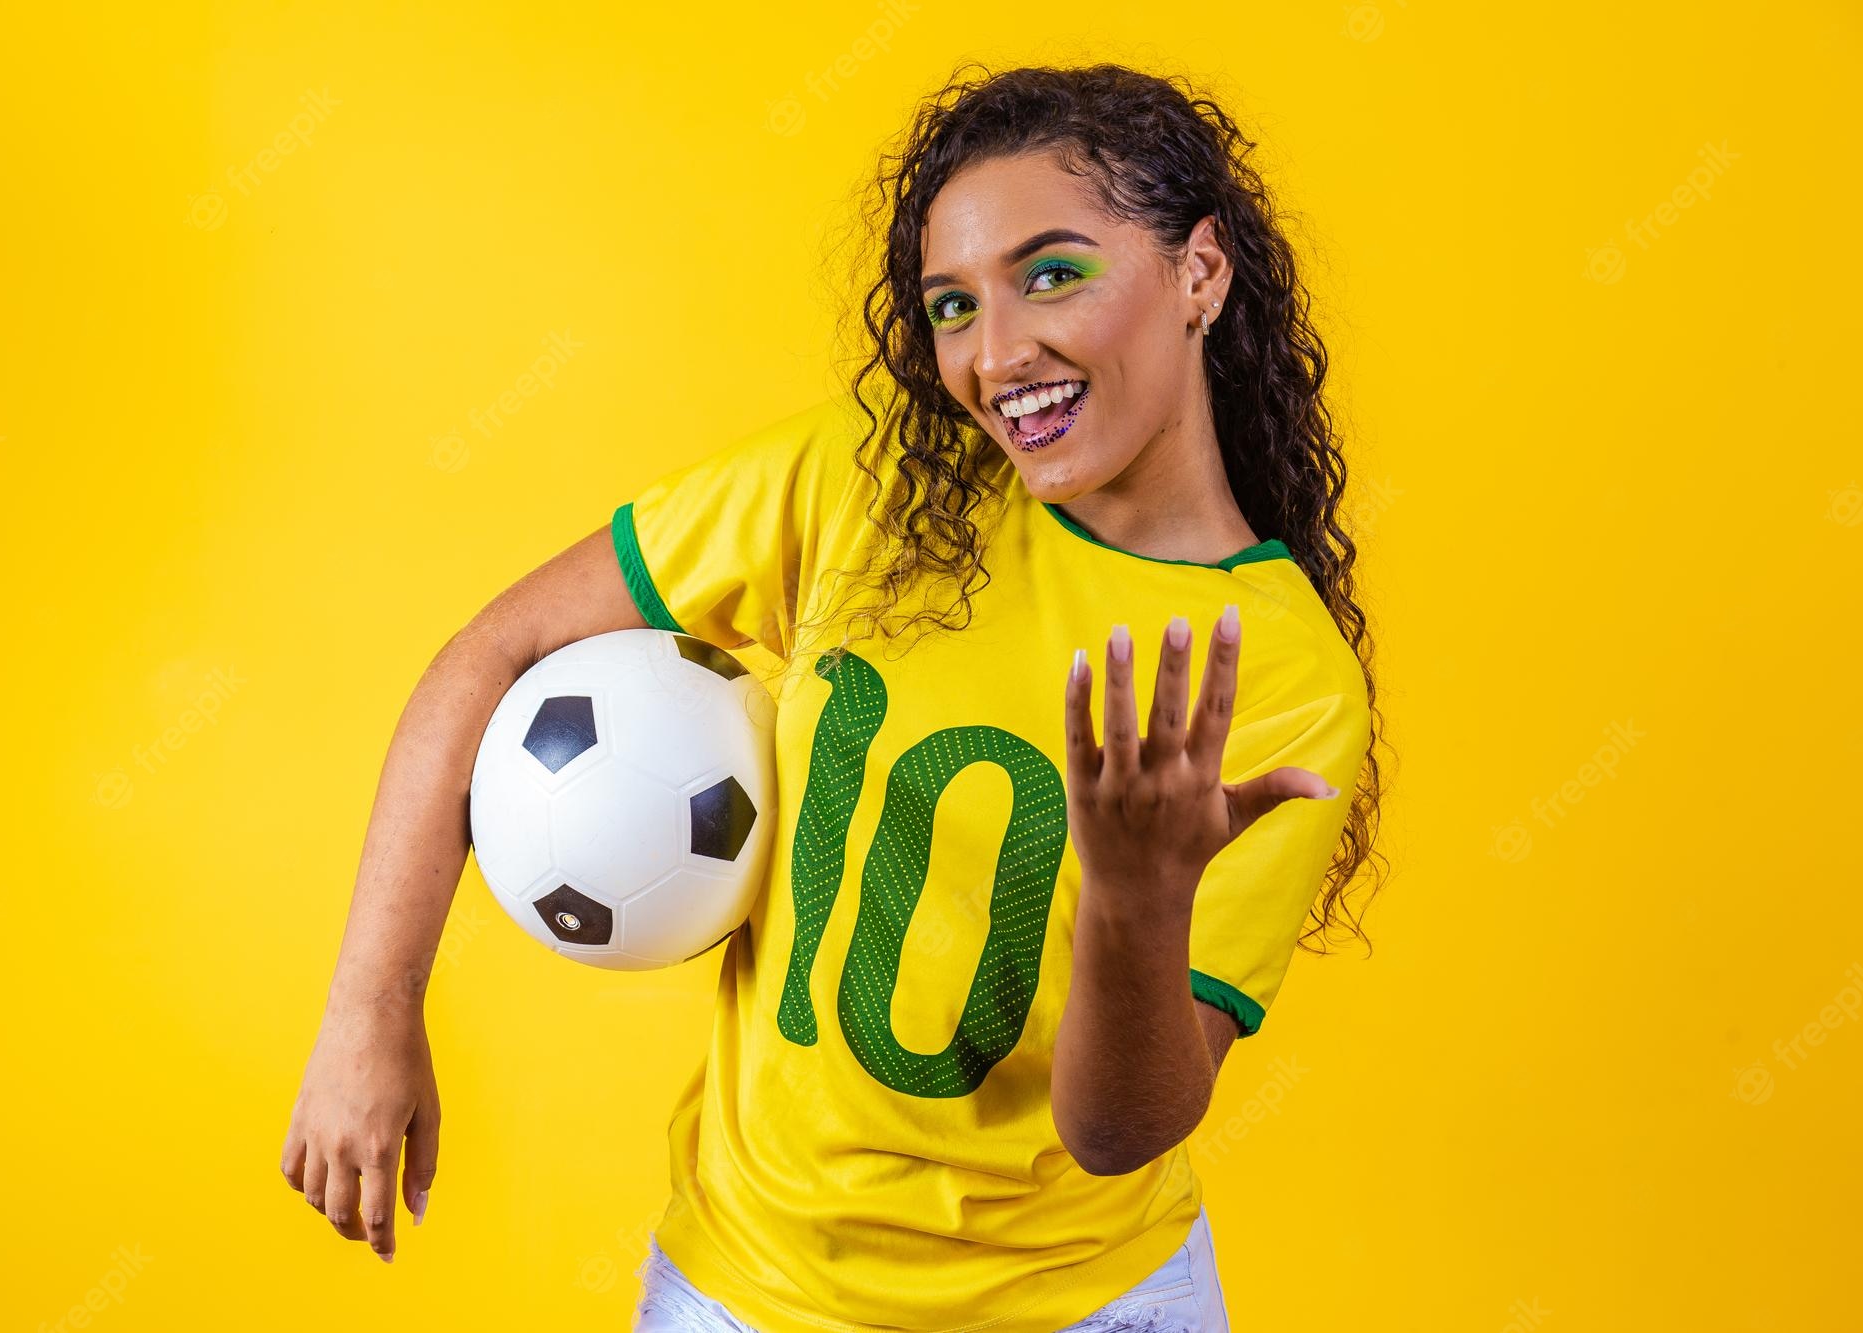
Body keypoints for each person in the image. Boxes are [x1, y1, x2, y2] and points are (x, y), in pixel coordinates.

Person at [281, 60, 1387, 1333]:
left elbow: (1113, 1132)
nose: (995, 353)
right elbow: (495, 652)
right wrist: (369, 1013)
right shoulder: (870, 490)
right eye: (952, 304)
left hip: (1081, 1305)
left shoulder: (1281, 678)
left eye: (1051, 274)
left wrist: (1136, 899)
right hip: (744, 1289)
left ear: (1199, 274)